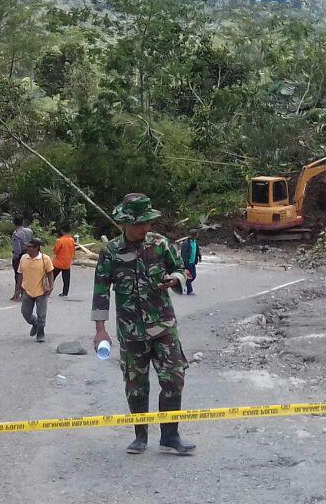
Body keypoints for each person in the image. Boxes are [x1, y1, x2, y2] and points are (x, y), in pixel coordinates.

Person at [92, 193, 194, 455]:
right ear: (126, 223)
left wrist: (174, 278)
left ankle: (170, 435)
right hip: (131, 330)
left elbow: (183, 269)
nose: (146, 228)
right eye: (140, 224)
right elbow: (101, 292)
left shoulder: (160, 244)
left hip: (163, 326)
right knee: (136, 385)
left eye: (148, 222)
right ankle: (140, 435)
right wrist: (100, 331)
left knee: (174, 379)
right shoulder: (111, 252)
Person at [18, 238, 53, 342]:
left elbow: (50, 272)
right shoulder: (24, 258)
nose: (27, 248)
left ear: (37, 248)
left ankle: (41, 332)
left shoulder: (45, 259)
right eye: (27, 246)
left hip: (41, 291)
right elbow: (20, 273)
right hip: (27, 289)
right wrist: (18, 288)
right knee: (25, 313)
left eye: (30, 247)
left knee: (41, 314)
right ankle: (35, 323)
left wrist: (51, 286)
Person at [10, 216, 34, 302]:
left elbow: (17, 249)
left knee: (18, 275)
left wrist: (15, 257)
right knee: (27, 274)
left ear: (14, 223)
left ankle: (18, 293)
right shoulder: (29, 231)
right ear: (23, 221)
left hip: (20, 255)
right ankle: (26, 293)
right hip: (30, 253)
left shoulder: (16, 233)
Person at [52, 224, 75, 297]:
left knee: (52, 277)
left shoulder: (60, 240)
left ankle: (47, 289)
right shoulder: (71, 240)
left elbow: (56, 251)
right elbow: (73, 250)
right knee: (66, 279)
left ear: (62, 231)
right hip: (67, 263)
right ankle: (65, 292)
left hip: (58, 262)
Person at [180, 230, 200, 295]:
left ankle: (184, 284)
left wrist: (199, 256)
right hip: (188, 263)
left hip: (193, 262)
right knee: (190, 276)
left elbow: (197, 250)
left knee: (193, 276)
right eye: (196, 234)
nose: (197, 235)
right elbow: (183, 254)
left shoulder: (195, 242)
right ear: (193, 235)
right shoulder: (186, 243)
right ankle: (189, 290)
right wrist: (185, 262)